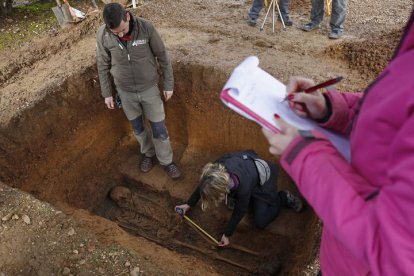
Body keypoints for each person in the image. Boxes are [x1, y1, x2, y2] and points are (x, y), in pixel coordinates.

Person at [261, 8, 414, 274]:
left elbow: (392, 249)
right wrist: (332, 109)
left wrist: (303, 153)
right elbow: (392, 111)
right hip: (343, 255)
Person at [96, 3, 181, 179]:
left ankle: (166, 161)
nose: (120, 34)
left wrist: (168, 84)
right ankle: (148, 154)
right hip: (125, 92)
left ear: (127, 16)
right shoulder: (103, 34)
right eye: (116, 33)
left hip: (149, 89)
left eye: (123, 30)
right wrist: (107, 93)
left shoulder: (146, 27)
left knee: (159, 128)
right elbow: (102, 65)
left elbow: (163, 56)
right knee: (138, 127)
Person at [174, 150, 303, 247]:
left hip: (263, 180)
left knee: (260, 222)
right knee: (236, 199)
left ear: (224, 189)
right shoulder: (216, 169)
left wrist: (227, 234)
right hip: (245, 166)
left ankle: (283, 197)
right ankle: (237, 197)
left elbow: (240, 210)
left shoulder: (243, 186)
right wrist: (188, 204)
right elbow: (205, 184)